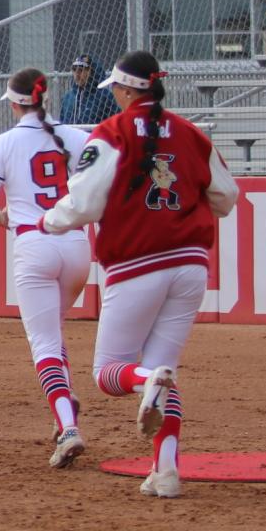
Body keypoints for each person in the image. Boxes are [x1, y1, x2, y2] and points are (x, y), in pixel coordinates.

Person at [42, 50, 238, 499]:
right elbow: (226, 197)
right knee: (161, 367)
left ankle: (145, 383)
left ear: (128, 89)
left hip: (137, 263)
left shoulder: (112, 132)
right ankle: (166, 472)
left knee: (111, 373)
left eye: (115, 89)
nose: (113, 95)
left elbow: (84, 205)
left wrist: (47, 221)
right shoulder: (191, 133)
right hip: (190, 266)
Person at [0, 69, 95, 469]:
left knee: (43, 343)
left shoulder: (3, 143)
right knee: (53, 331)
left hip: (33, 243)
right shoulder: (78, 137)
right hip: (76, 244)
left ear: (14, 103)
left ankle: (69, 426)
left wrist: (4, 219)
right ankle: (67, 400)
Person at [58, 55, 120, 125]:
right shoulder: (68, 97)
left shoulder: (105, 96)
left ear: (92, 72)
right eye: (74, 69)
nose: (77, 73)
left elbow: (115, 123)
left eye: (81, 70)